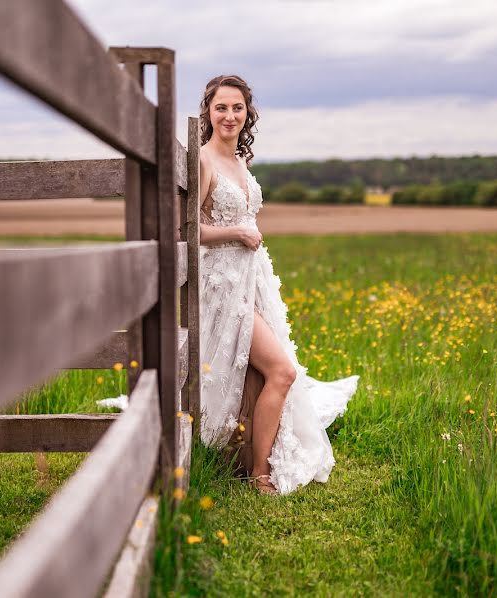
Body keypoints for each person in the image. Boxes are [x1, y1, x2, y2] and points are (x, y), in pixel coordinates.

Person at [197, 74, 359, 496]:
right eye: (221, 107)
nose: (229, 115)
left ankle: (244, 457)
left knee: (264, 373)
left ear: (248, 112)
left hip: (251, 282)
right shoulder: (202, 161)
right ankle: (259, 473)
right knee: (283, 371)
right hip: (221, 290)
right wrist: (236, 233)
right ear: (208, 112)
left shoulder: (240, 162)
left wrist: (245, 237)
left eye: (237, 108)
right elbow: (187, 229)